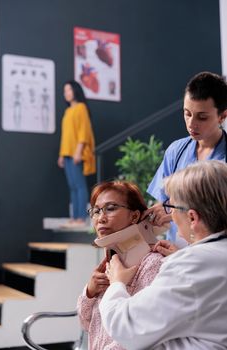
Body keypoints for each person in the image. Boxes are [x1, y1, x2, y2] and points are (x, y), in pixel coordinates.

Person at [100, 160, 227, 350]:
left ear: (192, 217)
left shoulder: (191, 265)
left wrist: (117, 283)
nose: (170, 216)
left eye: (171, 208)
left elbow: (127, 327)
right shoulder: (204, 258)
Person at [77, 181, 163, 350]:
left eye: (111, 208)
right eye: (96, 211)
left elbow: (141, 333)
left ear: (135, 216)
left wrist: (119, 284)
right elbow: (86, 324)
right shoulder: (107, 264)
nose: (101, 218)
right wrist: (90, 292)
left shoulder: (153, 265)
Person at [147, 71, 227, 244]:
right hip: (176, 252)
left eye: (202, 117)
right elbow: (162, 202)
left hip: (214, 254)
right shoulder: (176, 151)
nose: (191, 124)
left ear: (223, 116)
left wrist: (173, 211)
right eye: (187, 113)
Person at [58, 80, 96, 228]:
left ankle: (81, 217)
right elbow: (65, 136)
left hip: (76, 153)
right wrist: (62, 155)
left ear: (75, 90)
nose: (66, 93)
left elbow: (84, 132)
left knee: (80, 186)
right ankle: (74, 217)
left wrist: (78, 151)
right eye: (64, 91)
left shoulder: (81, 108)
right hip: (67, 153)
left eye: (68, 90)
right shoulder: (68, 111)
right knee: (72, 186)